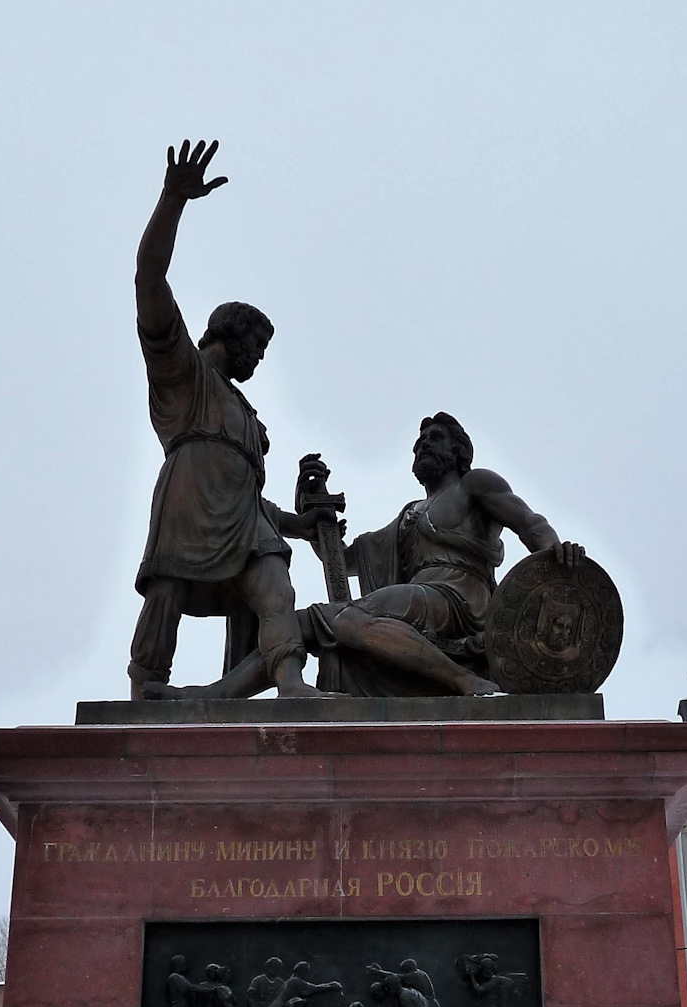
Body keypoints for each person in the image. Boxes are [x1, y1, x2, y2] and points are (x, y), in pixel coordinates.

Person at [168, 414, 584, 697]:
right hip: (419, 598)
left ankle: (463, 679)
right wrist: (313, 517)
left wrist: (555, 553)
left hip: (461, 603)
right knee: (300, 624)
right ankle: (215, 695)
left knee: (342, 618)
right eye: (419, 441)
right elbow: (343, 561)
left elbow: (530, 523)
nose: (422, 445)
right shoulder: (407, 517)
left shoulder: (475, 485)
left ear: (457, 452)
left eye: (433, 438)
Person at [129, 139, 332, 699]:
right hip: (189, 500)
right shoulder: (182, 372)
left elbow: (252, 500)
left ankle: (286, 682)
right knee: (166, 594)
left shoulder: (248, 417)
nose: (258, 359)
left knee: (274, 583)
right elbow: (149, 277)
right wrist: (173, 200)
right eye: (257, 347)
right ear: (232, 334)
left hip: (244, 524)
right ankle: (145, 690)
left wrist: (301, 523)